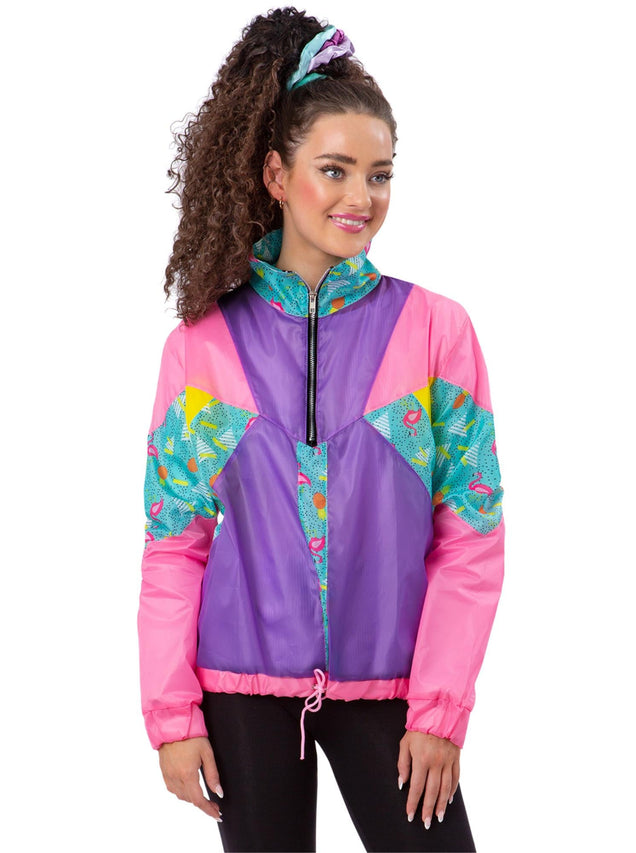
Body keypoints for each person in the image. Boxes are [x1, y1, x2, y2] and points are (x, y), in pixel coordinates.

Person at [137, 7, 504, 852]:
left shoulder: (435, 331)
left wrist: (440, 708)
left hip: (394, 686)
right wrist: (172, 715)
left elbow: (472, 534)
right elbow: (173, 542)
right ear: (276, 173)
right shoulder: (201, 345)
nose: (360, 198)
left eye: (380, 174)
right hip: (239, 689)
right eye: (334, 170)